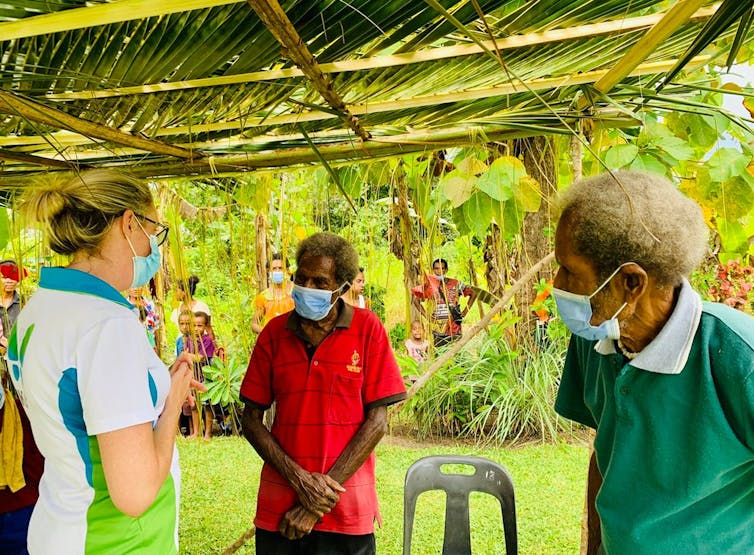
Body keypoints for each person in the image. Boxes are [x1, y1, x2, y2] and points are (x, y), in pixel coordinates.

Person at [550, 170, 754, 554]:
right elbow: (607, 455)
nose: (556, 282)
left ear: (631, 282)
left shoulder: (739, 357)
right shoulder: (596, 339)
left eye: (569, 271)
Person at [8, 169, 200, 554]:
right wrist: (173, 399)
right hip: (114, 540)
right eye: (154, 232)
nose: (153, 250)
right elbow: (136, 493)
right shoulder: (106, 324)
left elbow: (78, 406)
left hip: (61, 526)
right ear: (130, 224)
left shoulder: (41, 308)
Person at [241, 232, 406, 554]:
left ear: (342, 288)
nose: (307, 289)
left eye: (320, 282)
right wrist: (299, 479)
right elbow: (250, 419)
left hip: (346, 507)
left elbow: (377, 422)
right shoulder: (273, 334)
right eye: (301, 279)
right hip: (280, 505)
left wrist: (316, 501)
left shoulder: (368, 329)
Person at [411, 258, 477, 347]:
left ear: (446, 270)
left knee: (457, 355)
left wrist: (465, 311)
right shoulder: (430, 285)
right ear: (433, 270)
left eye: (442, 268)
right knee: (440, 355)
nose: (439, 271)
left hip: (454, 327)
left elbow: (473, 293)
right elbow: (416, 300)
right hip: (437, 328)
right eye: (437, 269)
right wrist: (427, 316)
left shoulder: (455, 284)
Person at [177, 311, 216, 440]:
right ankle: (196, 432)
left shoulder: (207, 341)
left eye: (199, 326)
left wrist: (187, 355)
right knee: (194, 404)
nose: (196, 328)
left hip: (205, 375)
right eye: (193, 325)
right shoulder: (188, 340)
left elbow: (199, 358)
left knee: (206, 404)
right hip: (193, 375)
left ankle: (208, 432)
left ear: (205, 326)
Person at [251, 253, 294, 334]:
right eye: (274, 269)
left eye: (281, 268)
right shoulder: (264, 297)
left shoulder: (296, 292)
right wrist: (268, 332)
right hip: (272, 343)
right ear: (268, 271)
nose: (277, 271)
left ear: (287, 270)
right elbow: (254, 324)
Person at [0, 260, 25, 354]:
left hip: (19, 356)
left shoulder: (25, 302)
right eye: (5, 277)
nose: (9, 281)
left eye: (13, 277)